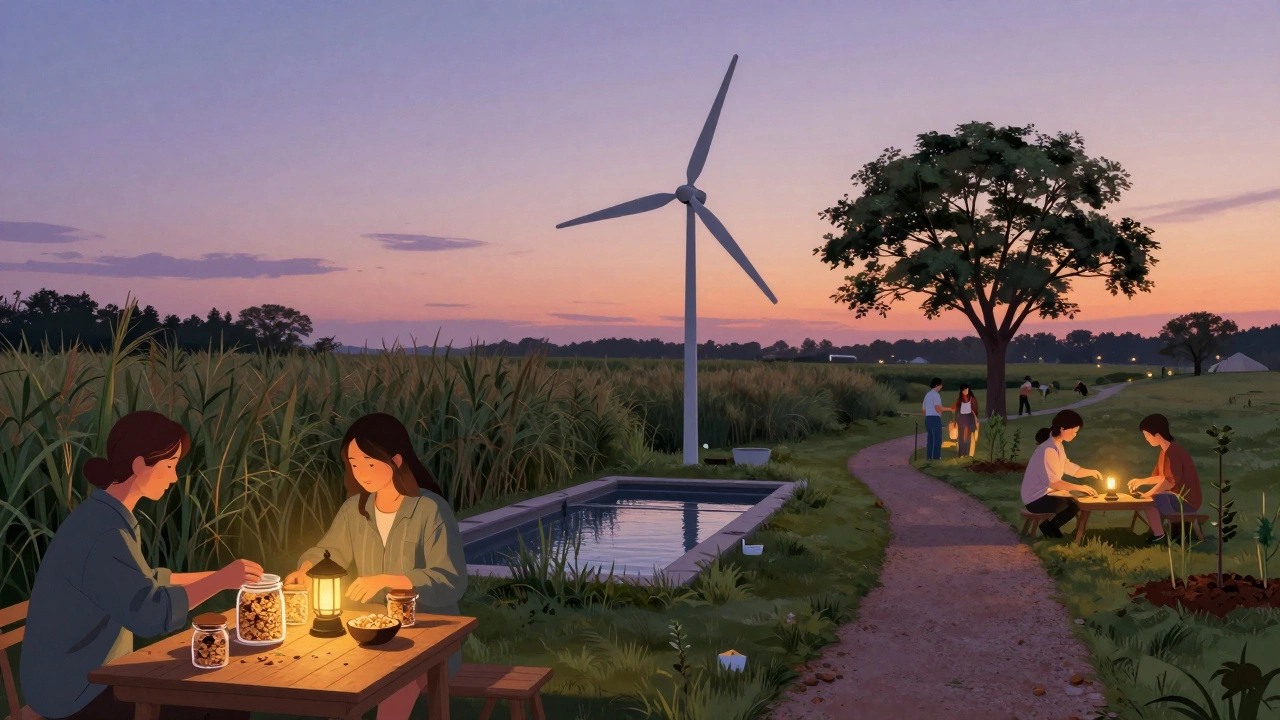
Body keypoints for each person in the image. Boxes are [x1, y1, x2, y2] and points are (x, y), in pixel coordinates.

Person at [21, 411, 258, 720]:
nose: (174, 477)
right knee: (228, 700)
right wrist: (220, 580)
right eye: (170, 465)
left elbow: (148, 582)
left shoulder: (105, 516)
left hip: (87, 677)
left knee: (217, 688)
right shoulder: (105, 533)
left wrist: (223, 577)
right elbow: (150, 612)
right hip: (76, 693)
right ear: (138, 465)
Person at [284, 413, 467, 720]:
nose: (361, 473)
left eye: (370, 463)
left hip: (427, 637)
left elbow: (451, 580)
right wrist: (305, 570)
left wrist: (390, 580)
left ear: (395, 460)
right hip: (367, 635)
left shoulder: (429, 509)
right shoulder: (355, 510)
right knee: (330, 672)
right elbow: (328, 552)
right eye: (354, 464)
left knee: (398, 677)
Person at [1020, 410, 1104, 539]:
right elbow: (1054, 483)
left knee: (1073, 502)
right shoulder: (1048, 449)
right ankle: (1049, 528)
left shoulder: (1057, 445)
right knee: (1072, 506)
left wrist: (1091, 472)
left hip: (1045, 493)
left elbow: (1068, 467)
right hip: (1035, 498)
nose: (1075, 435)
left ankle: (1051, 528)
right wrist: (1080, 487)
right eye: (1074, 431)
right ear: (1062, 428)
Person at [1127, 414, 1202, 544]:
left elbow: (1169, 481)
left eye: (1147, 436)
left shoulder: (1174, 452)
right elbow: (1160, 477)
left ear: (1157, 435)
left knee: (1153, 498)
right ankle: (1158, 532)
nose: (1146, 440)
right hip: (1174, 497)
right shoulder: (1164, 452)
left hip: (1186, 500)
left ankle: (1159, 534)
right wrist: (1140, 481)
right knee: (1152, 497)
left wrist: (1148, 494)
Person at [921, 378, 951, 460]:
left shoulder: (927, 395)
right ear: (937, 385)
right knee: (937, 439)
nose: (941, 386)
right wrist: (950, 409)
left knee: (930, 439)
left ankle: (929, 457)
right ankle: (936, 457)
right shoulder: (936, 395)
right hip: (935, 419)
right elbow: (938, 408)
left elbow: (923, 411)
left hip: (928, 419)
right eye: (941, 385)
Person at [952, 384, 978, 457]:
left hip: (969, 418)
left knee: (968, 436)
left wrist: (975, 418)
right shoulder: (959, 399)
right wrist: (954, 420)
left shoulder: (972, 398)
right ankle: (961, 453)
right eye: (964, 390)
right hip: (961, 418)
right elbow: (956, 410)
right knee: (961, 436)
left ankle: (967, 453)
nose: (965, 391)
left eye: (966, 390)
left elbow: (975, 409)